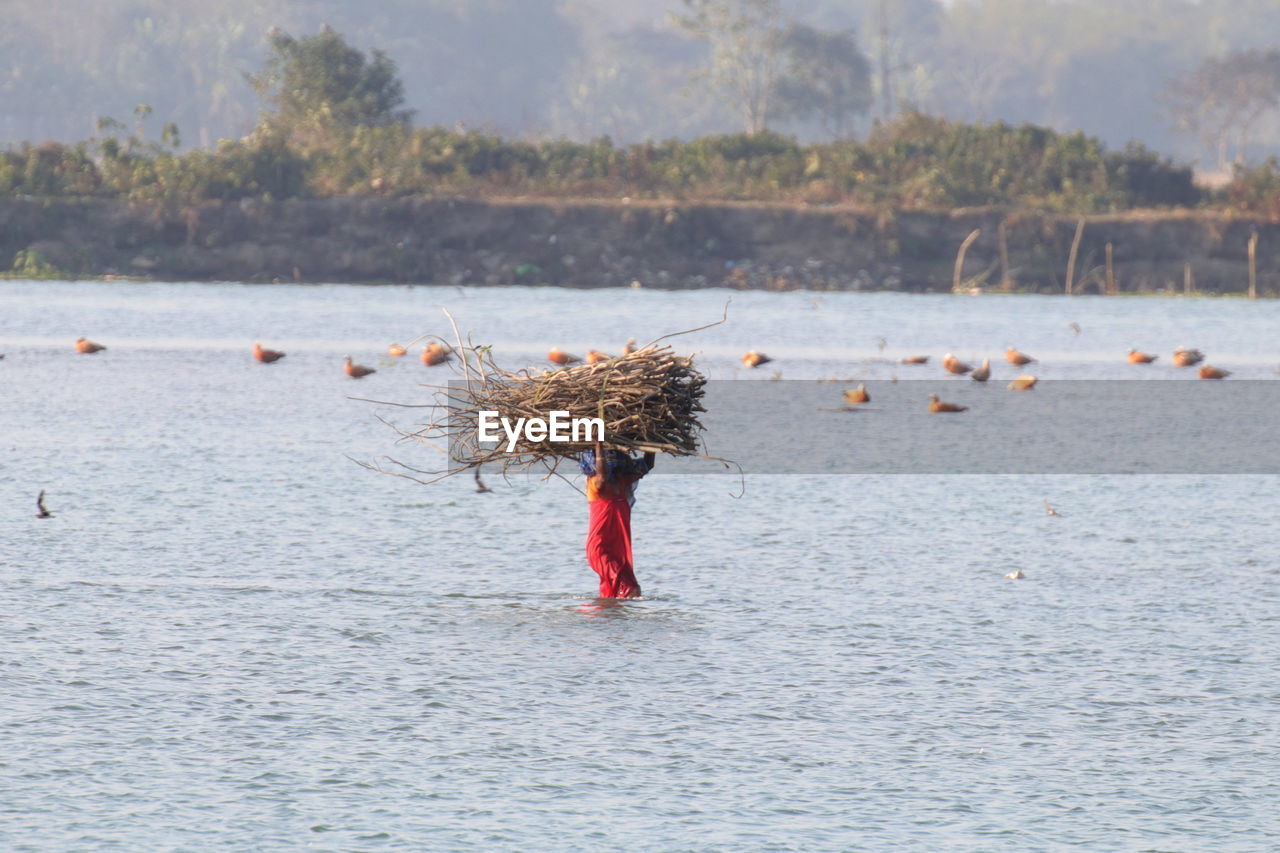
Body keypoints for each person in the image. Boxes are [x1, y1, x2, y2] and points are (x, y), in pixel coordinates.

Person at [579, 443, 655, 599]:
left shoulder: (621, 483)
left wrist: (650, 442)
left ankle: (609, 621)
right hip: (600, 550)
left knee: (613, 595)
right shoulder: (595, 484)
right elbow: (601, 478)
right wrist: (598, 444)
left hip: (619, 553)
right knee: (631, 590)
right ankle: (621, 621)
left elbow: (648, 464)